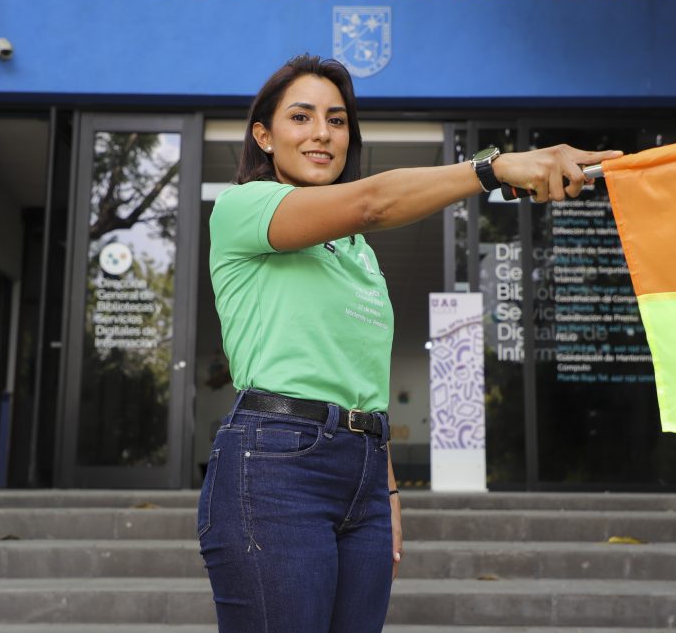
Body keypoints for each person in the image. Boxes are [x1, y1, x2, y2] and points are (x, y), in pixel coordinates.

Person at [195, 53, 622, 633]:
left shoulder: (358, 255)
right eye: (302, 117)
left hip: (364, 476)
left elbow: (360, 379)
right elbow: (376, 201)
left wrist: (386, 490)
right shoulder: (242, 207)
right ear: (264, 136)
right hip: (274, 465)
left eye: (338, 120)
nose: (323, 133)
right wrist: (497, 168)